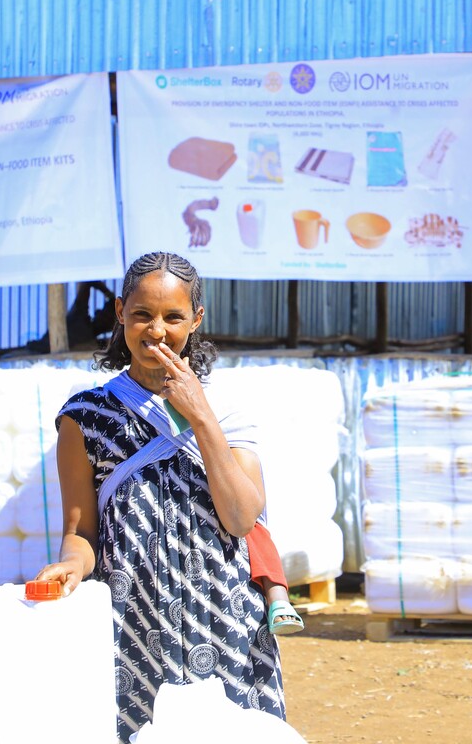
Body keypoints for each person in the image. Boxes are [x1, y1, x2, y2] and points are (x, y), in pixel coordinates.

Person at [35, 252, 290, 740]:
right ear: (119, 313)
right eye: (142, 315)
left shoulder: (228, 410)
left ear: (196, 319)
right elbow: (81, 532)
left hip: (228, 615)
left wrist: (200, 417)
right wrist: (71, 564)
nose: (156, 331)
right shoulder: (85, 417)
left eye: (173, 317)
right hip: (134, 620)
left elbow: (241, 517)